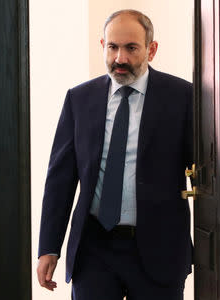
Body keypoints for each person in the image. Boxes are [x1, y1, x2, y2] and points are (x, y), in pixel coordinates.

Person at [37, 9, 193, 300]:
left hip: (159, 249)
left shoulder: (183, 97)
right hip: (94, 249)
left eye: (131, 48)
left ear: (152, 49)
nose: (120, 58)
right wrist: (49, 247)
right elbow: (60, 179)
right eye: (113, 47)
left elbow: (205, 170)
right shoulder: (79, 99)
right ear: (103, 46)